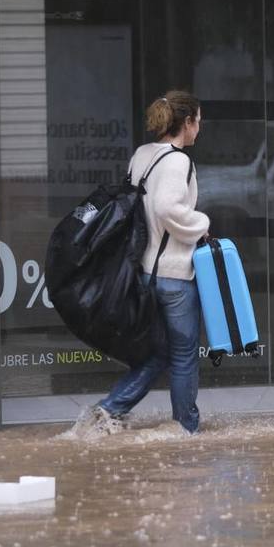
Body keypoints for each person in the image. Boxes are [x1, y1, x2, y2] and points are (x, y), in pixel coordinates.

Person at [84, 90, 210, 435]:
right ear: (187, 122)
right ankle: (186, 428)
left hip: (141, 273)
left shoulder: (142, 155)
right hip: (174, 276)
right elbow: (167, 208)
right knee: (183, 355)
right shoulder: (178, 161)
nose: (199, 129)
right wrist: (201, 224)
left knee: (158, 353)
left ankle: (108, 410)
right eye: (198, 121)